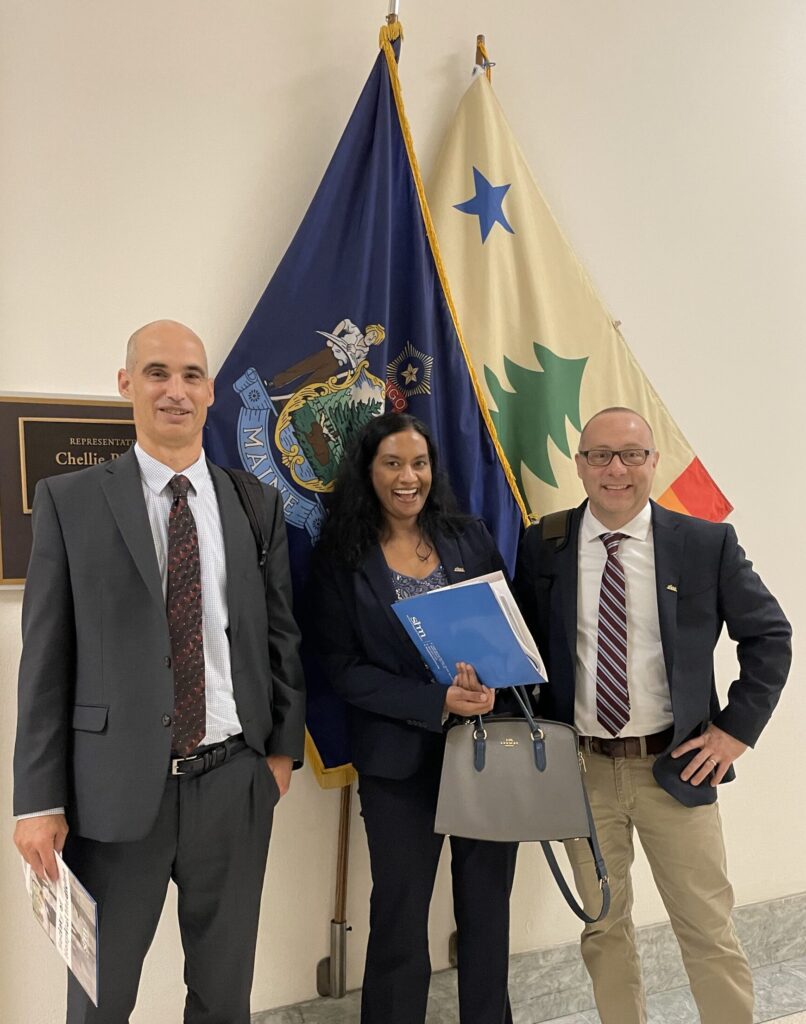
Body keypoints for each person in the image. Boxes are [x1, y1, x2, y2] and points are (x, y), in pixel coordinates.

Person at [13, 319, 306, 1023]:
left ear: (210, 392)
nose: (175, 390)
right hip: (110, 795)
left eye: (191, 375)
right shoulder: (70, 501)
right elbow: (45, 660)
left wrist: (280, 753)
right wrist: (37, 801)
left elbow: (280, 634)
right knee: (99, 999)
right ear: (126, 384)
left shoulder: (254, 503)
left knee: (224, 997)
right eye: (157, 373)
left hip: (234, 783)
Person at [512, 406, 791, 1024]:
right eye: (601, 455)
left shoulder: (704, 544)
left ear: (652, 462)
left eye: (632, 455)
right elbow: (525, 645)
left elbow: (770, 636)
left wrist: (733, 732)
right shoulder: (546, 543)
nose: (617, 469)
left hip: (676, 767)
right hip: (582, 772)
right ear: (580, 465)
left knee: (707, 928)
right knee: (603, 928)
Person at [307, 412, 518, 1024]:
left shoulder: (469, 537)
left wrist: (493, 685)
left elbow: (507, 628)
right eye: (393, 464)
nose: (409, 477)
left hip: (484, 752)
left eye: (419, 463)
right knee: (399, 916)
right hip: (397, 765)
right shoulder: (340, 555)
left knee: (487, 911)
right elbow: (342, 669)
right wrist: (435, 702)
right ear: (368, 472)